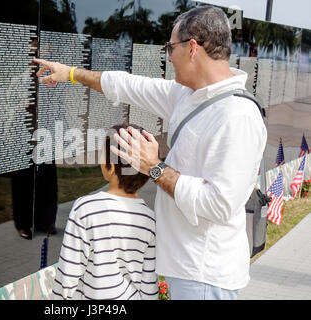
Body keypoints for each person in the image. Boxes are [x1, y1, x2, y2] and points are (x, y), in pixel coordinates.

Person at [35, 6, 267, 300]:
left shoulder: (237, 116)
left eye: (171, 47)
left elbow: (219, 205)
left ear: (192, 48)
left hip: (205, 277)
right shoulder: (189, 95)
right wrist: (70, 74)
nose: (168, 56)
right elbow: (127, 85)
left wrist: (154, 167)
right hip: (187, 270)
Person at [52, 124, 158, 300]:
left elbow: (67, 276)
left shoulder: (86, 209)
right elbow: (149, 284)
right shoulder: (149, 218)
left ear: (111, 166)